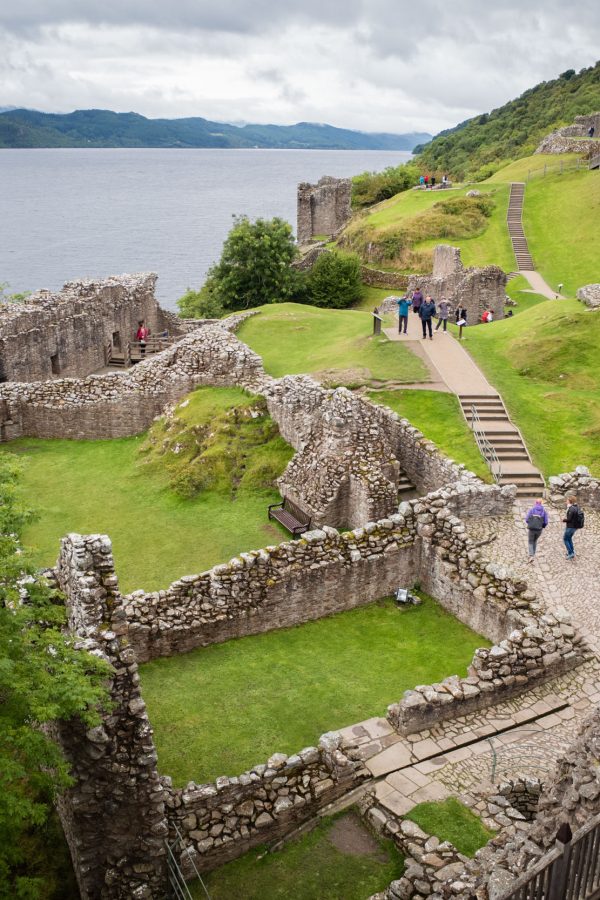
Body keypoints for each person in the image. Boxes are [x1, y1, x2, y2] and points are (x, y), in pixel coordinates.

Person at [525, 498, 548, 562]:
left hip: (532, 529)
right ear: (541, 503)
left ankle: (531, 555)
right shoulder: (544, 511)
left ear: (535, 503)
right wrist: (542, 526)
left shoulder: (532, 510)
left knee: (530, 541)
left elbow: (527, 519)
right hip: (539, 530)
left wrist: (531, 524)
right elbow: (546, 522)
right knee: (535, 541)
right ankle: (533, 554)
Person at [563, 495, 584, 560]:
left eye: (567, 500)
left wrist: (563, 520)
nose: (566, 501)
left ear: (570, 501)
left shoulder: (571, 509)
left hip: (570, 527)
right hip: (575, 527)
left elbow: (569, 519)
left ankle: (570, 553)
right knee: (569, 538)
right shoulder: (576, 507)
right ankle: (572, 552)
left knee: (565, 539)